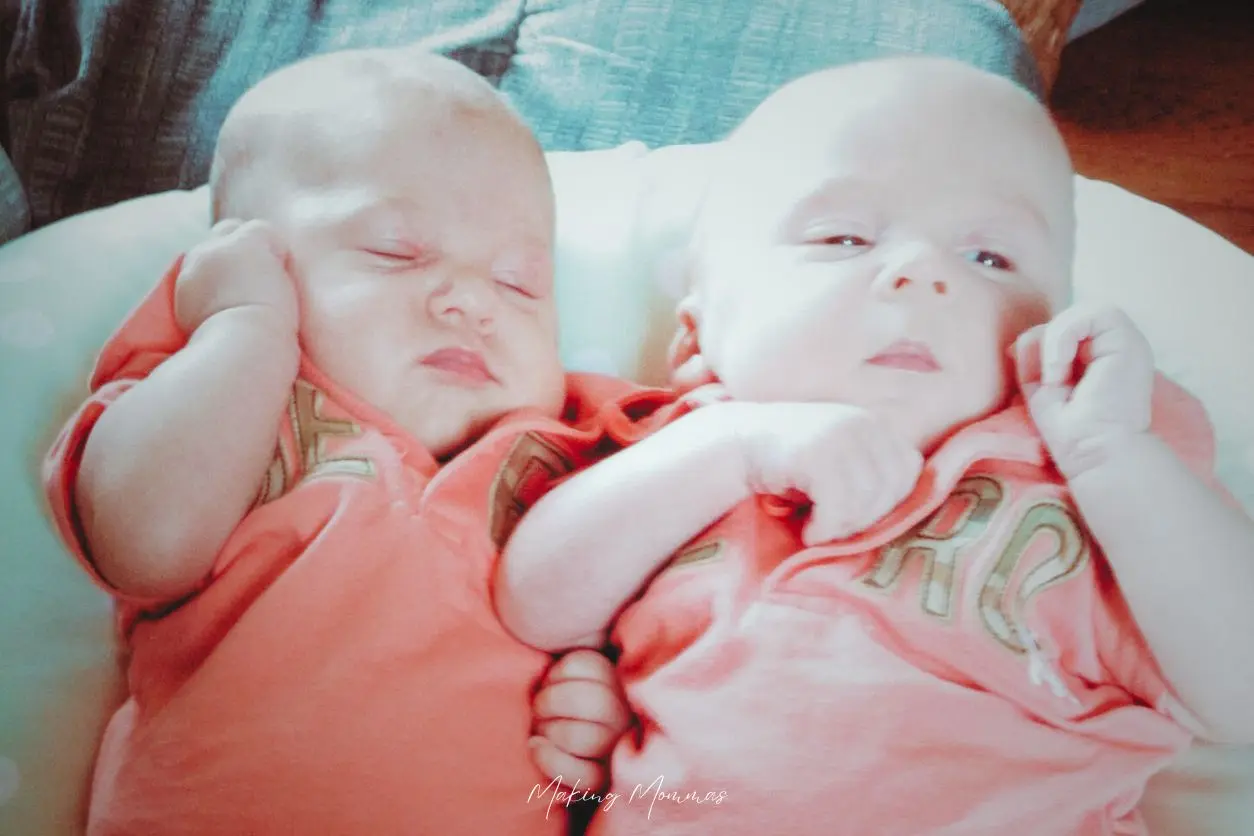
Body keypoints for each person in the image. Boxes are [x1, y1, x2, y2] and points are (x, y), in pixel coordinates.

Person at [496, 56, 1254, 835]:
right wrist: (733, 447)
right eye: (844, 236)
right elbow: (538, 605)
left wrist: (1111, 455)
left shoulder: (1088, 477)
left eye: (989, 258)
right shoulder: (682, 451)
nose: (922, 273)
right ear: (695, 337)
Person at [44, 46, 634, 835]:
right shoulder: (226, 406)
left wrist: (603, 706)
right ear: (254, 259)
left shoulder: (584, 451)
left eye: (520, 282)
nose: (470, 300)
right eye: (397, 251)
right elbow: (143, 544)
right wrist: (245, 328)